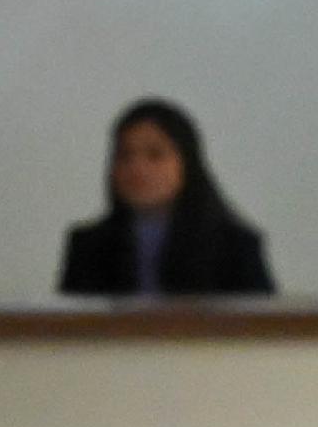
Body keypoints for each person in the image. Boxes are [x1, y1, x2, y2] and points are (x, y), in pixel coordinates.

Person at [58, 97, 275, 297]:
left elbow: (262, 329)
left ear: (187, 164)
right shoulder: (89, 246)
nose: (137, 168)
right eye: (125, 155)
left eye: (155, 155)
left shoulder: (235, 245)